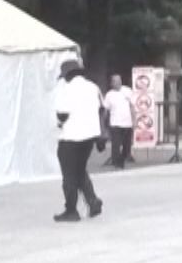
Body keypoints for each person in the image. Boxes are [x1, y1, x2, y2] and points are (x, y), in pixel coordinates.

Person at [53, 58, 104, 221]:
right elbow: (101, 110)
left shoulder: (66, 89)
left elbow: (62, 113)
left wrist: (59, 124)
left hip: (70, 137)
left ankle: (71, 210)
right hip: (89, 137)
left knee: (69, 175)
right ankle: (93, 201)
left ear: (68, 75)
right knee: (80, 170)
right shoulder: (93, 87)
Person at [103, 74, 135, 169]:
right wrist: (103, 123)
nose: (118, 83)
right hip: (115, 123)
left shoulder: (127, 91)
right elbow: (106, 109)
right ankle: (117, 164)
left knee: (127, 146)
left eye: (119, 80)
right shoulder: (109, 95)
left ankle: (122, 158)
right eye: (115, 81)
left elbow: (132, 106)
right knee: (115, 145)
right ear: (112, 83)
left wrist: (134, 120)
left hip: (127, 123)